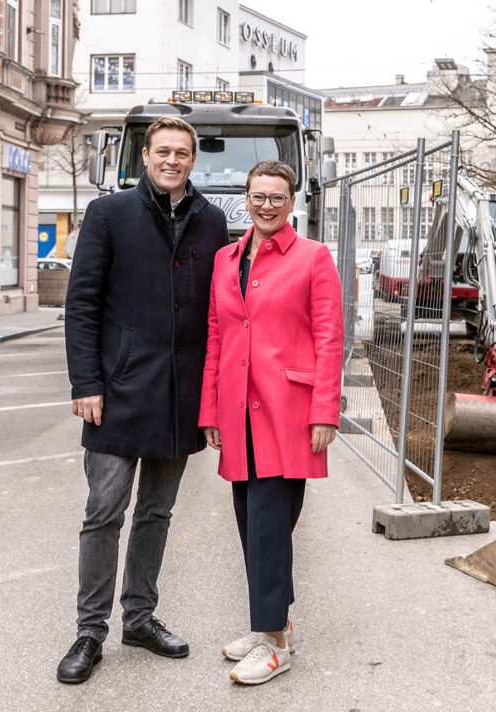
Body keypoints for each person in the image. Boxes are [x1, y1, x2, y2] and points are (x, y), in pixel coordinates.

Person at [58, 116, 229, 684]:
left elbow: (218, 312)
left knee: (157, 512)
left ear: (192, 159)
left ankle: (140, 616)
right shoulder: (109, 215)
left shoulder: (210, 222)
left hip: (178, 398)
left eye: (182, 153)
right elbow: (81, 303)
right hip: (117, 390)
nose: (172, 161)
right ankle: (89, 632)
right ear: (145, 156)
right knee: (103, 512)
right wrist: (86, 383)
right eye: (163, 152)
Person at [199, 160, 343, 686]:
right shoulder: (225, 259)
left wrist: (326, 410)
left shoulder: (313, 258)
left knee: (267, 524)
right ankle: (269, 626)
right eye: (258, 196)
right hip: (237, 409)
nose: (266, 205)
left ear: (291, 202)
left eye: (277, 197)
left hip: (289, 412)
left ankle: (277, 643)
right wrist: (209, 410)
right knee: (251, 523)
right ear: (246, 197)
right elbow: (217, 337)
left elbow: (330, 337)